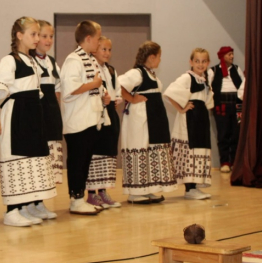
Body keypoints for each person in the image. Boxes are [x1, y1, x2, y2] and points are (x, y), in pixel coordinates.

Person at [0, 17, 57, 227]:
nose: (37, 39)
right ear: (20, 35)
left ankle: (27, 205)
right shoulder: (10, 61)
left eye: (39, 34)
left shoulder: (32, 61)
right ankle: (11, 211)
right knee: (15, 157)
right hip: (17, 113)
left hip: (33, 114)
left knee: (31, 159)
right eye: (33, 34)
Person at [60, 20, 111, 215]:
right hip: (77, 122)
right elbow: (69, 90)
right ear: (88, 38)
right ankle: (75, 199)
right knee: (77, 162)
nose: (99, 43)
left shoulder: (88, 58)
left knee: (85, 161)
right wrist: (94, 84)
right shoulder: (74, 60)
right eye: (98, 39)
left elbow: (93, 86)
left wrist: (103, 94)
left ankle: (80, 198)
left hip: (91, 119)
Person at [119, 41, 177, 204]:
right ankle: (136, 192)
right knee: (141, 148)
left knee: (151, 151)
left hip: (154, 119)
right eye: (159, 57)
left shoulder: (150, 73)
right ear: (152, 57)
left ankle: (149, 188)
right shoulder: (137, 73)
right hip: (141, 119)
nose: (160, 60)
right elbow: (119, 84)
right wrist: (131, 98)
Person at [164, 48, 214, 200]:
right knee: (190, 151)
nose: (200, 64)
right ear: (191, 62)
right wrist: (181, 108)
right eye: (197, 61)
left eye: (204, 61)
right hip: (190, 120)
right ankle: (189, 188)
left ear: (208, 63)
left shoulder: (205, 79)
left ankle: (195, 186)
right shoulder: (187, 77)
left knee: (199, 150)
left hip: (201, 119)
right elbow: (170, 92)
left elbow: (209, 101)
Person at [28, 20, 62, 220]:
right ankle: (31, 203)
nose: (48, 40)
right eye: (43, 36)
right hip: (36, 116)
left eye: (51, 36)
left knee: (48, 162)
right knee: (36, 160)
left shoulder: (52, 62)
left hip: (51, 115)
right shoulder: (29, 61)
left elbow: (56, 91)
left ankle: (40, 203)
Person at [86, 36, 122, 209]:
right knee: (95, 153)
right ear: (94, 49)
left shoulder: (111, 70)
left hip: (110, 114)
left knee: (108, 153)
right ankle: (92, 193)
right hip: (96, 114)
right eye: (103, 49)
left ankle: (103, 191)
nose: (107, 53)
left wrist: (115, 99)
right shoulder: (90, 67)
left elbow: (118, 91)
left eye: (109, 49)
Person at [207, 46, 244, 173]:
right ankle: (225, 162)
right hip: (221, 106)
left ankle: (234, 161)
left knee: (237, 133)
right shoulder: (214, 71)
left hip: (238, 107)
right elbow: (208, 87)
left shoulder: (237, 69)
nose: (232, 57)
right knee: (223, 134)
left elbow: (243, 85)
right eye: (229, 54)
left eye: (232, 54)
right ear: (222, 56)